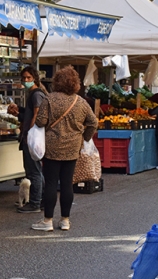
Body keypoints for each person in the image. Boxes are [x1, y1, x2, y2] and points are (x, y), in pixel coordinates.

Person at [32, 66, 97, 232]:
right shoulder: (81, 102)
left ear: (57, 82)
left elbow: (40, 122)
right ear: (76, 83)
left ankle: (47, 220)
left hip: (52, 147)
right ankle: (65, 220)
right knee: (67, 183)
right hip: (72, 148)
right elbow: (93, 122)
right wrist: (85, 137)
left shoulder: (49, 99)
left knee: (51, 183)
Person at [7, 66, 47, 213]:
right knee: (36, 171)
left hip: (32, 139)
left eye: (29, 78)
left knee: (33, 172)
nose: (25, 81)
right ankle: (41, 200)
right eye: (23, 78)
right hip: (31, 138)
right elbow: (29, 114)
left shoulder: (36, 95)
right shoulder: (32, 94)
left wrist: (30, 133)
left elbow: (36, 115)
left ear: (35, 78)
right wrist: (19, 112)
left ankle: (35, 203)